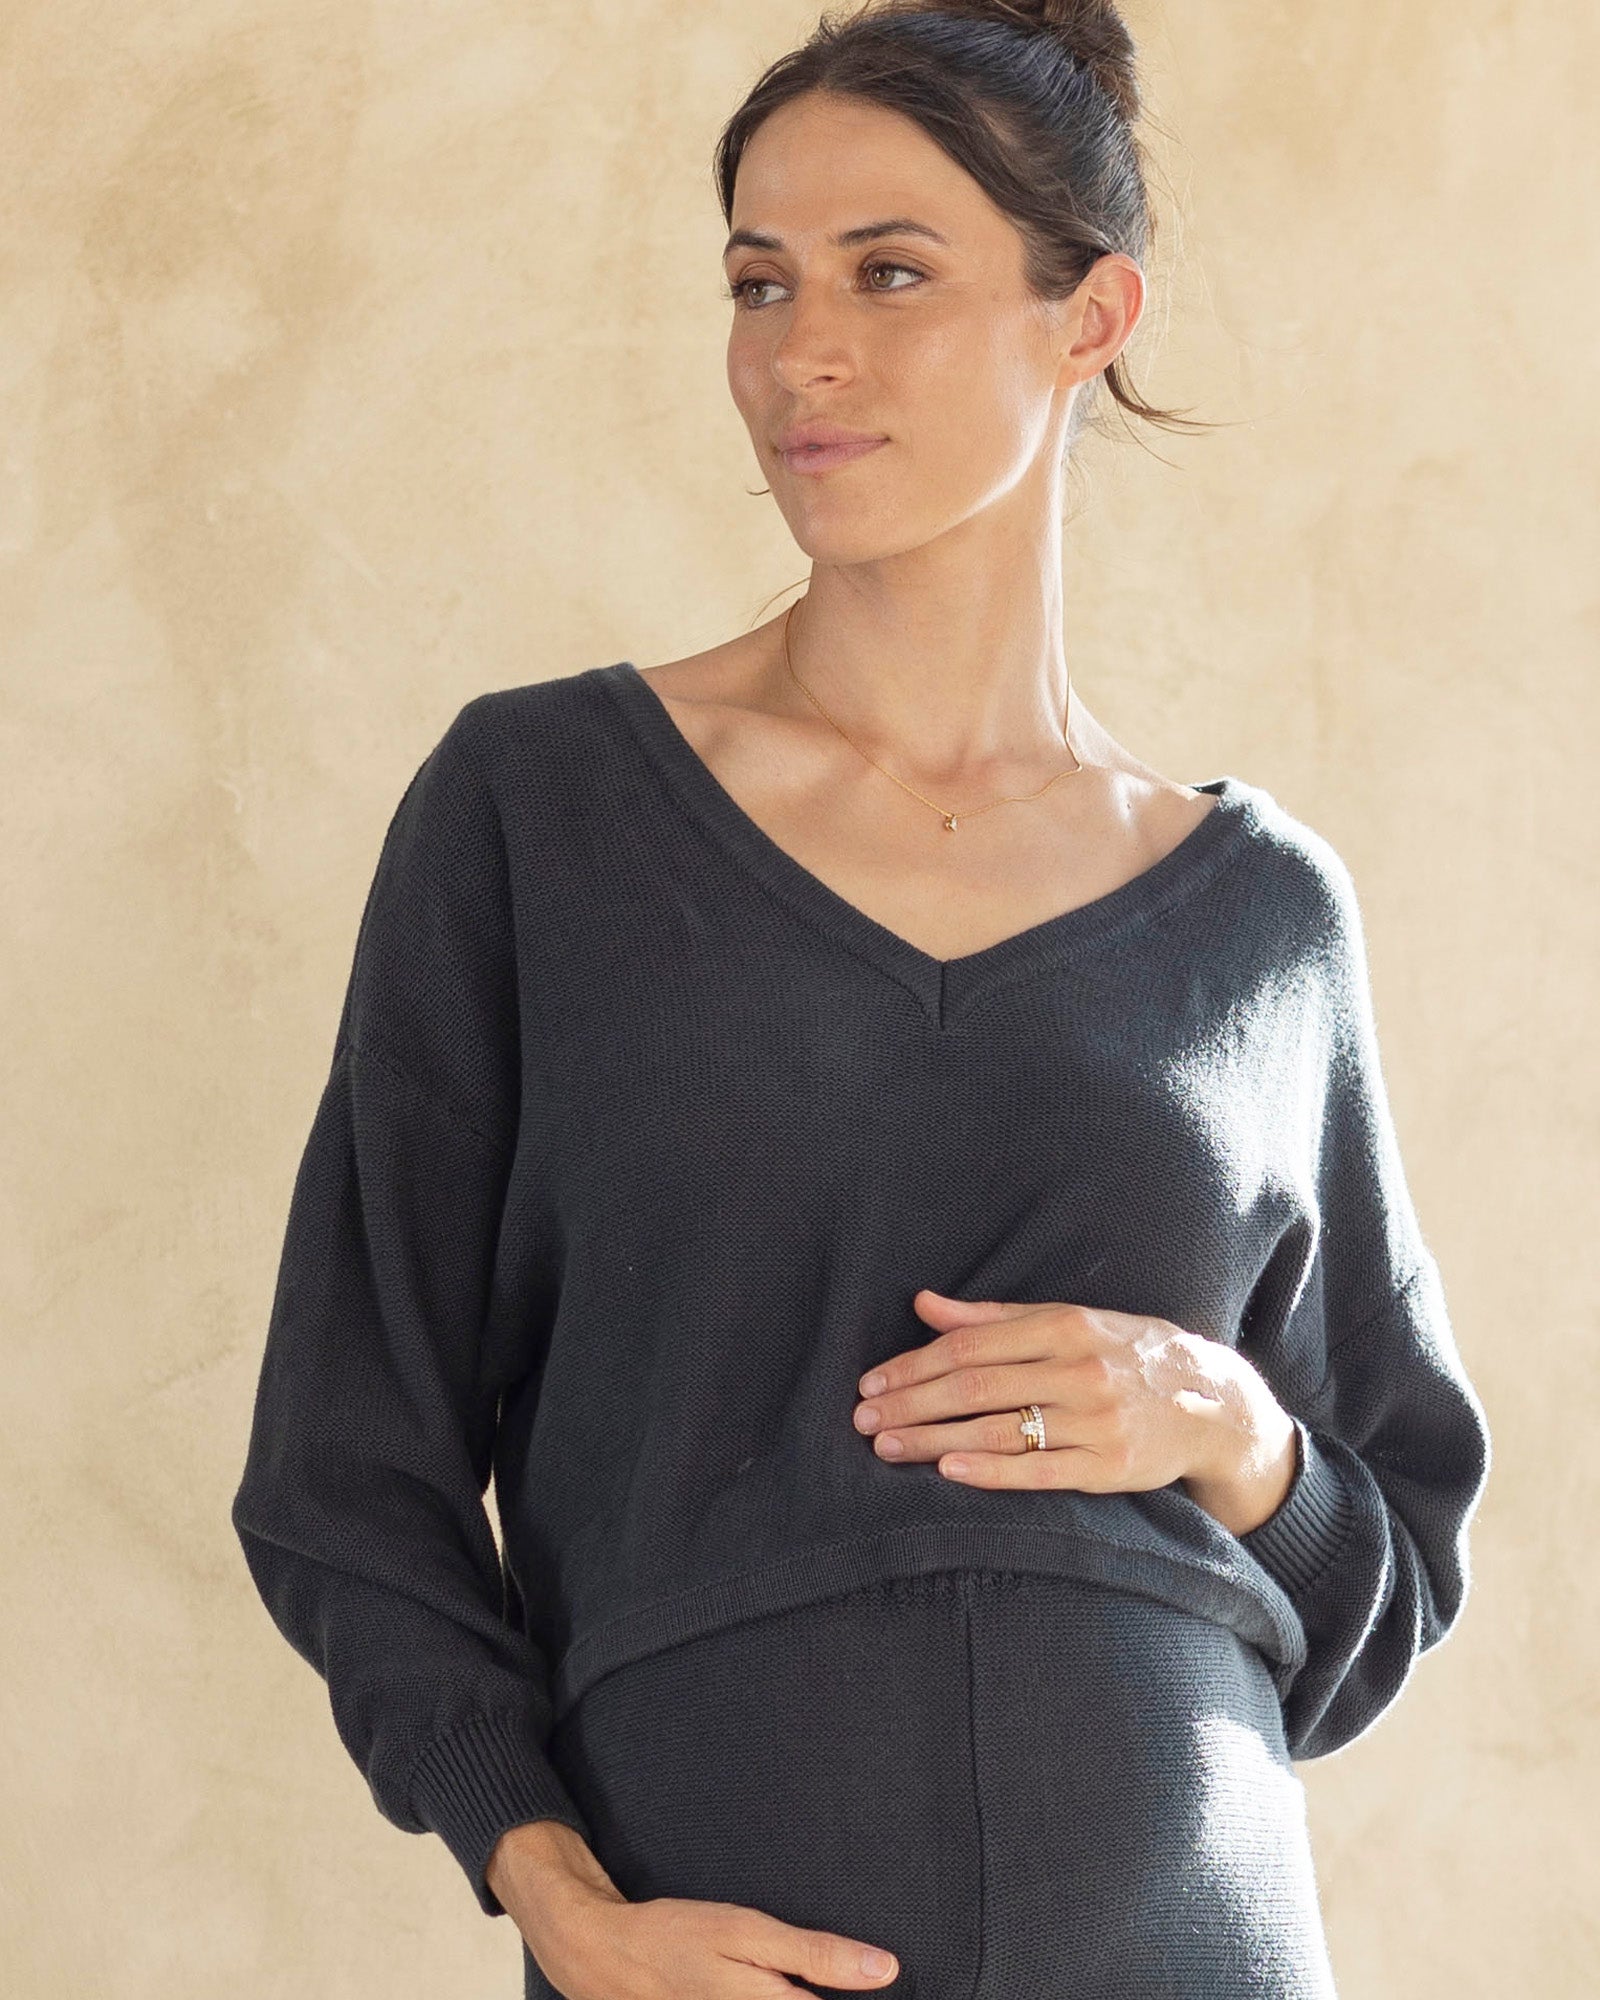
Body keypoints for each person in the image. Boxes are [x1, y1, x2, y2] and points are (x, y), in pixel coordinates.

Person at [230, 2, 1493, 1995]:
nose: (798, 353)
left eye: (888, 274)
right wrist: (558, 1901)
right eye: (759, 283)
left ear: (1089, 317)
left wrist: (1222, 1418)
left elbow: (1385, 1575)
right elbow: (342, 1468)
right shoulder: (539, 810)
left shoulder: (1261, 918)